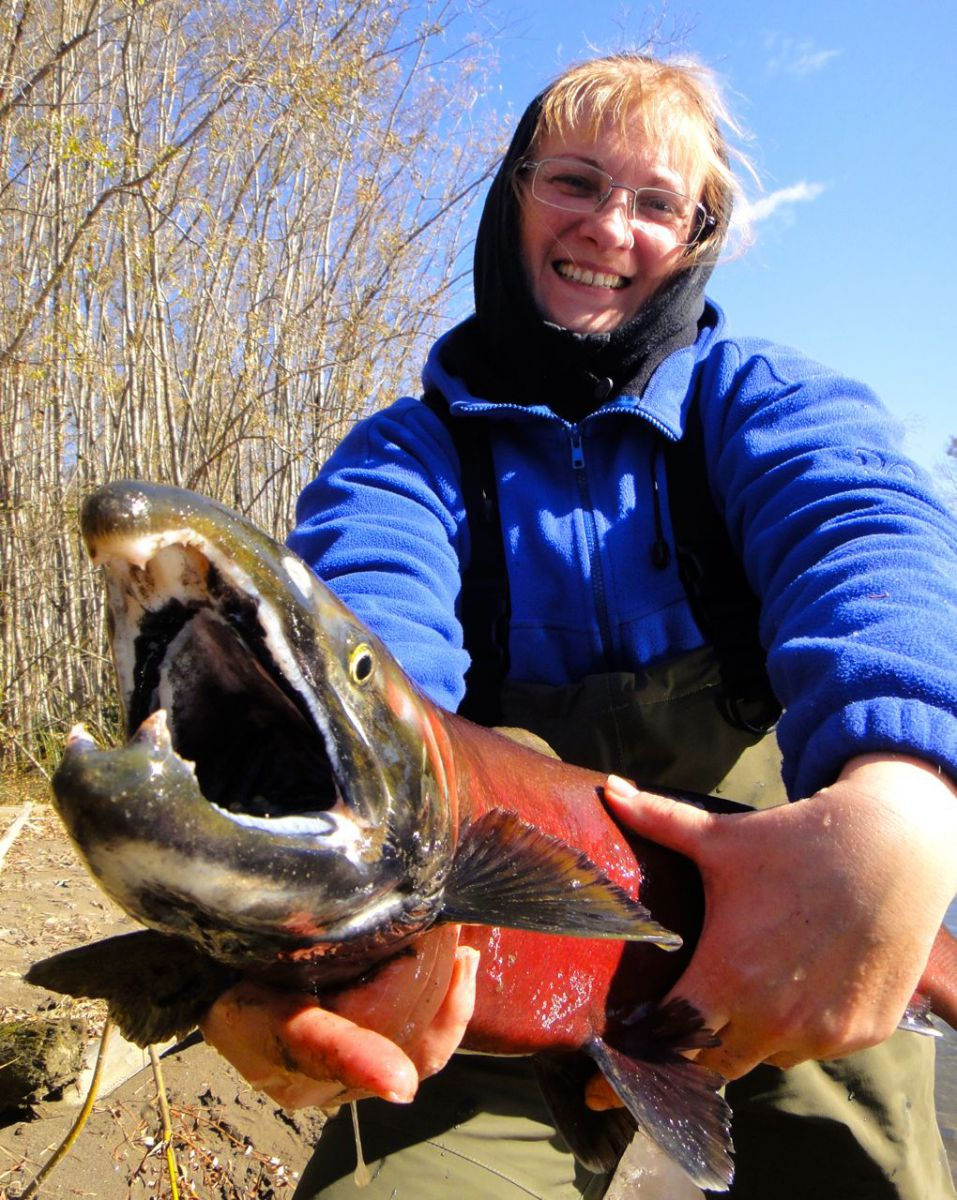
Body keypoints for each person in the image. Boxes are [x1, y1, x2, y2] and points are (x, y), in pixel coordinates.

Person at [201, 52, 957, 1199]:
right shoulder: (403, 458)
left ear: (699, 238)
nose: (612, 226)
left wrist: (902, 797)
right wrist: (309, 926)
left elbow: (865, 533)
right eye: (576, 182)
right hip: (491, 932)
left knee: (865, 1163)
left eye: (659, 203)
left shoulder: (762, 398)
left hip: (782, 900)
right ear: (512, 198)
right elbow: (369, 648)